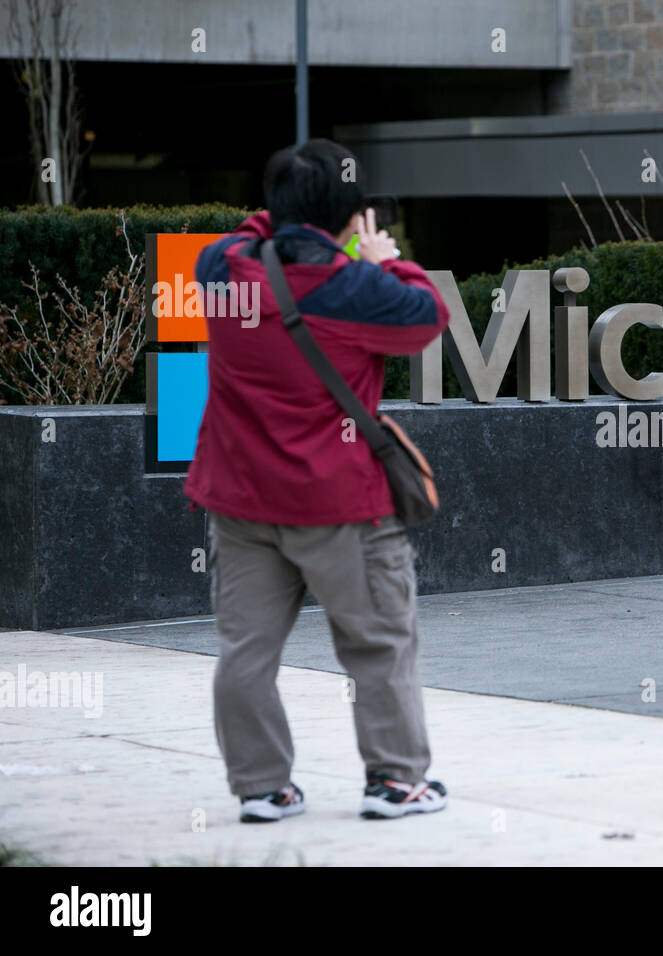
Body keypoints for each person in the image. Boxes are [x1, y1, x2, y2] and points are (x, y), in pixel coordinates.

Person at [184, 139, 451, 822]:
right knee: (377, 642)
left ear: (272, 210)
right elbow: (427, 315)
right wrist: (384, 258)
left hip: (240, 501)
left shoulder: (222, 270)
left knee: (246, 651)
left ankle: (262, 787)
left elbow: (245, 235)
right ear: (350, 216)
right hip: (339, 506)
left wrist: (286, 217)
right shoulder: (357, 287)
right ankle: (395, 781)